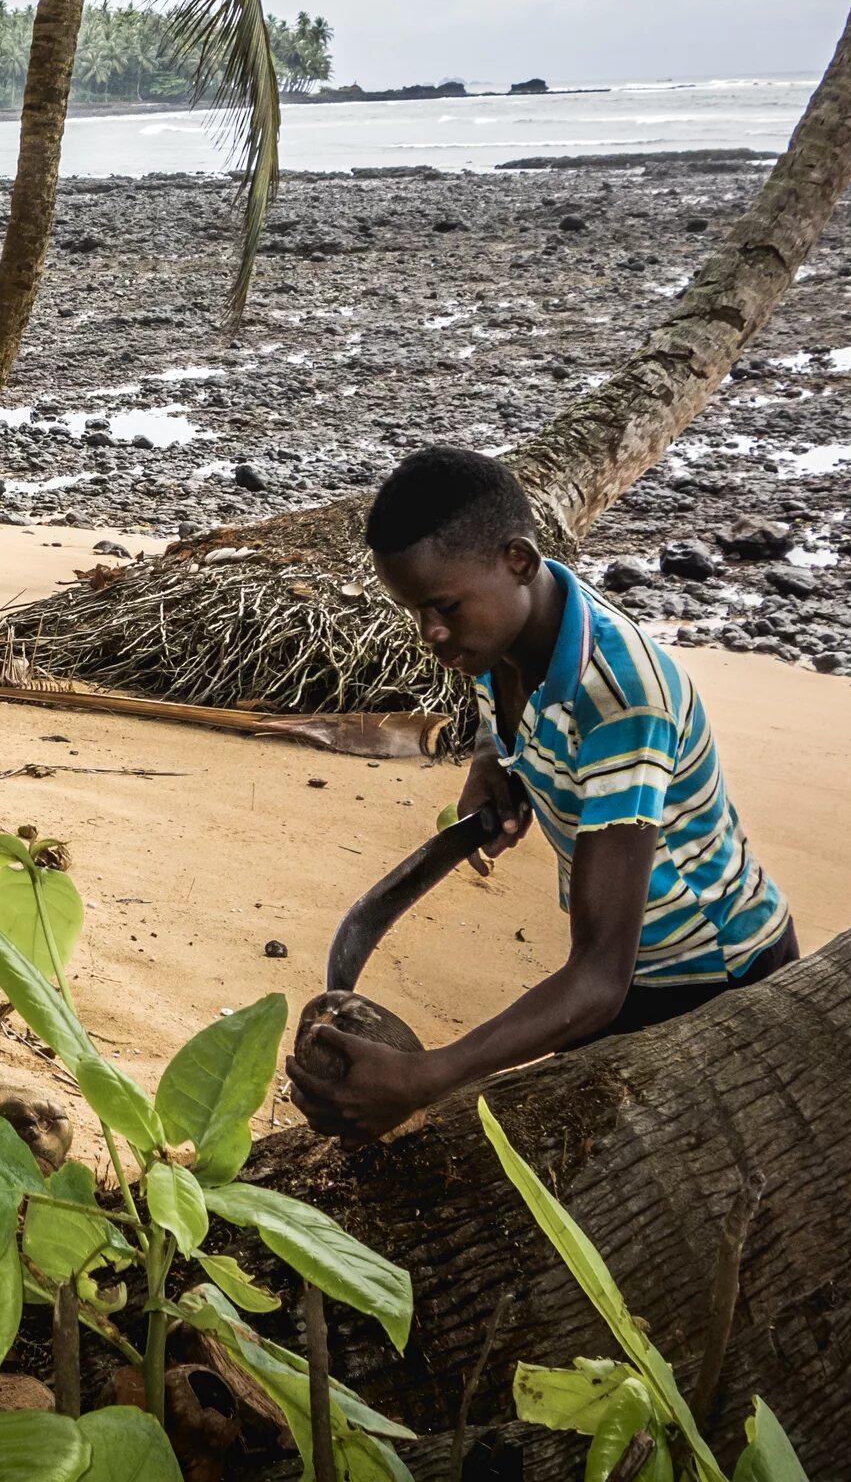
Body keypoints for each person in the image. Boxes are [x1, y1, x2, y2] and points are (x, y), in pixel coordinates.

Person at [288, 446, 797, 1143]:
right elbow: (503, 704)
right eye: (414, 610)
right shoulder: (494, 637)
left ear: (519, 561)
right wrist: (494, 758)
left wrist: (427, 1077)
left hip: (710, 979)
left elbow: (598, 976)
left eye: (443, 607)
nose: (430, 634)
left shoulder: (621, 701)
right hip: (628, 976)